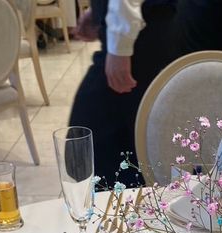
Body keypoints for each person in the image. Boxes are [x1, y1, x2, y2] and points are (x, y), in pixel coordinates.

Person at [69, 0, 178, 186]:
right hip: (142, 26)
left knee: (89, 146)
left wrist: (120, 45)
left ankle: (126, 199)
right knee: (115, 140)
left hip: (138, 38)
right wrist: (100, 10)